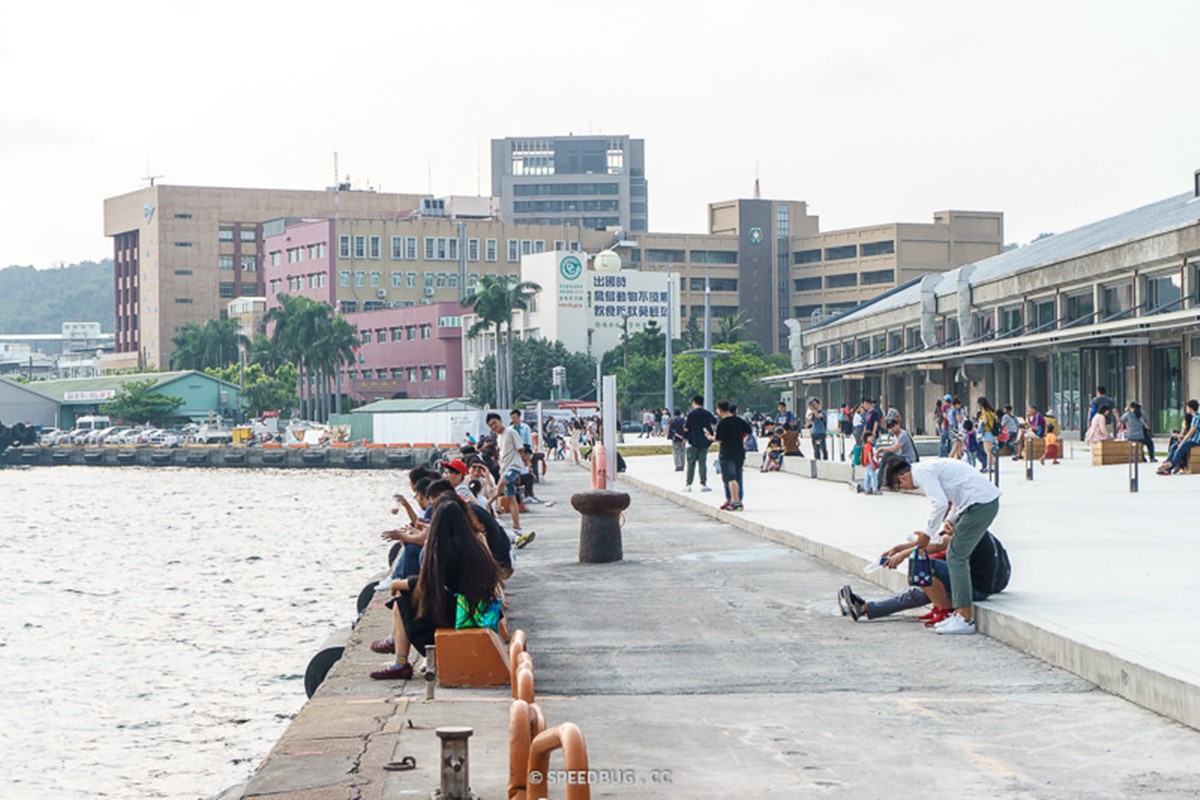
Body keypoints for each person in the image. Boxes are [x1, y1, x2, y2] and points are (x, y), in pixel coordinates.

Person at [370, 491, 503, 679]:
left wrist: (397, 583)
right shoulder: (474, 543)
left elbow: (429, 583)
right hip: (480, 609)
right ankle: (398, 654)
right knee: (405, 597)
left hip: (463, 613)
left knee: (402, 602)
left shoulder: (447, 548)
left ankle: (401, 662)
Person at [882, 457, 1001, 635]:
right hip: (978, 503)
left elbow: (939, 504)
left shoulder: (921, 473)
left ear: (902, 477)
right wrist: (949, 520)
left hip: (980, 504)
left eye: (900, 486)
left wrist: (927, 534)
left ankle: (964, 618)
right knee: (955, 555)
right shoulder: (927, 469)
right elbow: (955, 499)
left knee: (956, 556)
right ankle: (959, 614)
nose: (905, 489)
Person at [837, 530, 1010, 625]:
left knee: (924, 566)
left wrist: (904, 554)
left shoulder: (966, 530)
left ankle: (945, 611)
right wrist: (900, 547)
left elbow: (933, 548)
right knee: (918, 588)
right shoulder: (961, 526)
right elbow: (933, 541)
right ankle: (865, 608)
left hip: (977, 588)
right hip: (969, 582)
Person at [487, 412, 526, 538]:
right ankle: (517, 527)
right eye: (491, 425)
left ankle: (490, 502)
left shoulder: (510, 432)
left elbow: (521, 449)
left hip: (513, 466)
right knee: (511, 498)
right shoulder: (499, 437)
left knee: (502, 483)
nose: (493, 426)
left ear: (500, 421)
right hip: (504, 468)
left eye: (495, 423)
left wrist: (525, 465)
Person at [708, 399, 752, 511]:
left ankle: (735, 501)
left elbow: (719, 439)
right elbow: (748, 431)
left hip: (727, 453)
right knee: (738, 477)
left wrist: (710, 437)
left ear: (719, 410)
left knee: (730, 478)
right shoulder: (739, 420)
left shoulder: (722, 423)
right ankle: (735, 499)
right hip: (739, 452)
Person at [682, 395, 717, 492]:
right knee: (702, 463)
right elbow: (714, 422)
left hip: (693, 442)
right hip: (704, 442)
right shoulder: (707, 413)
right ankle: (703, 484)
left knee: (691, 464)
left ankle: (688, 484)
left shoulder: (691, 414)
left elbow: (686, 427)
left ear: (694, 402)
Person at [1157, 399, 1200, 475]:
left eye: (1187, 407)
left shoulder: (1197, 417)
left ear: (1190, 408)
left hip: (1196, 440)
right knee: (1174, 446)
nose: (1186, 409)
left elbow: (1191, 432)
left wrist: (1182, 442)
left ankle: (1169, 467)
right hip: (1193, 439)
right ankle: (1167, 463)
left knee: (1180, 449)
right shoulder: (1193, 416)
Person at [976, 397, 1000, 474]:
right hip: (992, 433)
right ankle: (992, 465)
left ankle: (990, 466)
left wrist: (981, 420)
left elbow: (985, 421)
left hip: (987, 432)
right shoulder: (991, 411)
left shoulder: (984, 412)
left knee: (988, 451)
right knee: (989, 451)